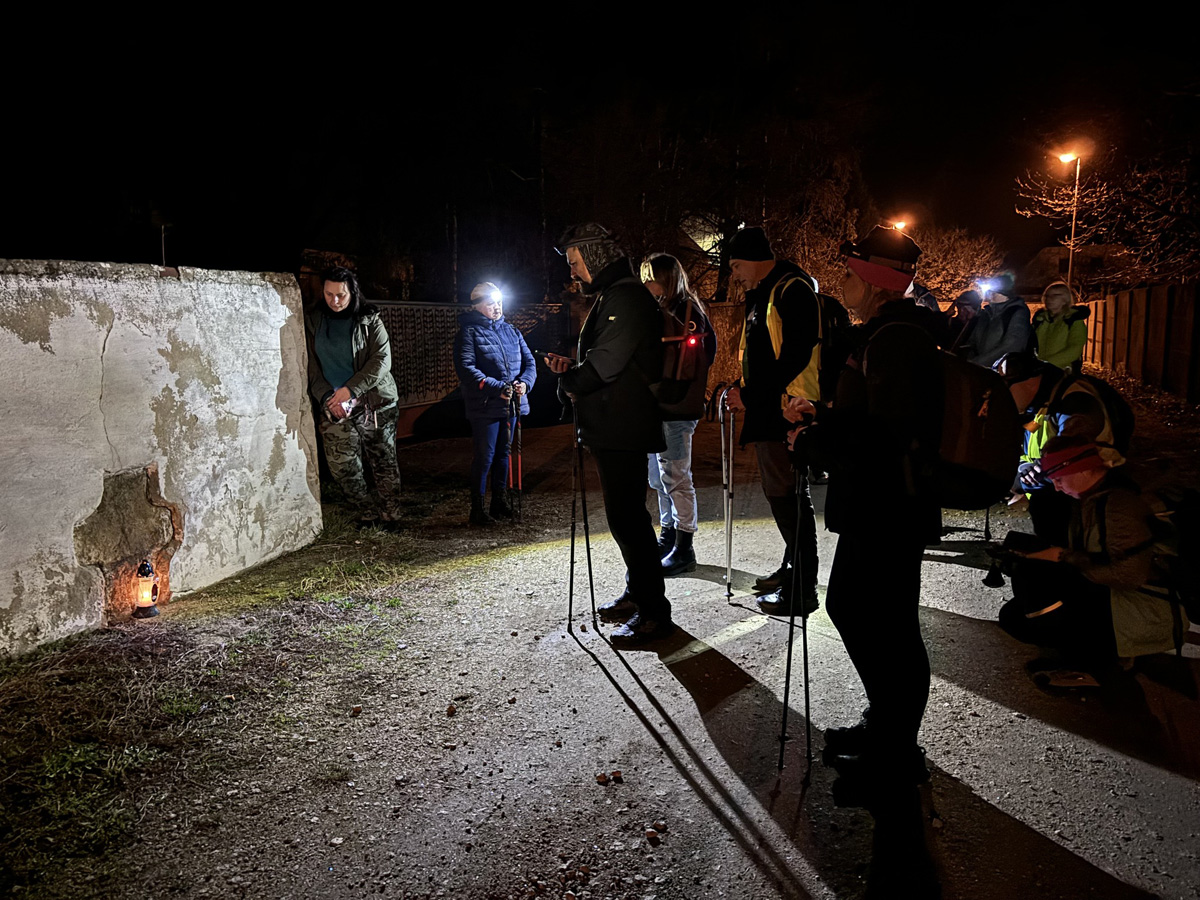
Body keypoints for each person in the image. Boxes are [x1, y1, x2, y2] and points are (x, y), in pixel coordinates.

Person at [784, 226, 943, 798]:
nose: (843, 281)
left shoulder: (898, 338)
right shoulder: (882, 334)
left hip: (889, 507)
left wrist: (813, 444)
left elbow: (886, 437)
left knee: (882, 622)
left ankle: (898, 753)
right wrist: (820, 422)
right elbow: (867, 420)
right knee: (867, 614)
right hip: (879, 504)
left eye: (851, 273)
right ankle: (888, 728)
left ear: (878, 281)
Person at [547, 224, 671, 645]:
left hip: (624, 426)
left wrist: (570, 381)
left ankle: (655, 611)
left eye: (576, 261)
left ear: (595, 256)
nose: (574, 271)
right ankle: (640, 595)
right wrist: (574, 373)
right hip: (613, 425)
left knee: (630, 519)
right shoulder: (613, 296)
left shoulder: (627, 298)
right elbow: (602, 362)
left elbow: (606, 365)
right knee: (625, 518)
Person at [997, 436, 1187, 680]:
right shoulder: (1092, 495)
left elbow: (1130, 576)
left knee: (1036, 589)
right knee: (1016, 614)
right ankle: (1087, 648)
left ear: (1083, 470)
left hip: (1142, 607)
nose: (1056, 487)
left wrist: (1065, 561)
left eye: (1059, 479)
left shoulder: (1119, 505)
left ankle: (1096, 665)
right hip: (1115, 594)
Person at [722, 227, 822, 616]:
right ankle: (792, 570)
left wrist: (748, 394)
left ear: (755, 258)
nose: (734, 275)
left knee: (789, 498)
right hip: (773, 409)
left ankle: (802, 588)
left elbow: (795, 355)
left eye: (736, 265)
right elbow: (762, 357)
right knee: (783, 496)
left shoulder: (790, 289)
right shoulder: (769, 292)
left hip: (787, 412)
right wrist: (740, 386)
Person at [997, 351, 1128, 545]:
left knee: (1070, 547)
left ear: (1030, 381)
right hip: (1055, 493)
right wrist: (1024, 468)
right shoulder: (1040, 406)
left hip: (1078, 496)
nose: (1004, 396)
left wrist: (1041, 470)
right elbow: (1028, 447)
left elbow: (1071, 448)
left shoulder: (1075, 401)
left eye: (1007, 387)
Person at [306, 266, 403, 527]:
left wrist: (351, 390)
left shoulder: (369, 319)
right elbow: (311, 366)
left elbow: (382, 360)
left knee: (383, 461)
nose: (334, 301)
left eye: (341, 295)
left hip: (374, 402)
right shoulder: (314, 320)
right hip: (334, 405)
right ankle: (366, 512)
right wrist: (328, 397)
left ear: (352, 292)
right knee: (342, 465)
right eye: (329, 294)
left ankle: (391, 514)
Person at [642, 253, 716, 577]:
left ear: (666, 279)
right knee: (660, 476)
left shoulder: (682, 311)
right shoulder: (679, 310)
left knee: (675, 476)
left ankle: (684, 548)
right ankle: (669, 536)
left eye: (651, 276)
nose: (646, 283)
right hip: (666, 405)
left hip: (675, 406)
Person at [453, 282, 536, 526]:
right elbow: (467, 369)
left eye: (499, 303)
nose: (496, 308)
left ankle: (499, 501)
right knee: (485, 456)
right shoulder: (468, 333)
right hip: (485, 405)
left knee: (504, 454)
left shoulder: (512, 331)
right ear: (477, 306)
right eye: (490, 304)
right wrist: (496, 387)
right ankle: (477, 509)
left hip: (510, 404)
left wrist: (524, 384)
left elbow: (530, 363)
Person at [961, 273, 1032, 369]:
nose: (990, 294)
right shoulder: (986, 313)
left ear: (1005, 293)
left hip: (1003, 372)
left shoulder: (1016, 312)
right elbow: (972, 341)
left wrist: (979, 363)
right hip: (980, 371)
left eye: (994, 291)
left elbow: (1012, 345)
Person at [1032, 281, 1089, 372]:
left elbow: (1074, 349)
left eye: (1055, 296)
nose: (1049, 299)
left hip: (1062, 371)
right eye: (1047, 296)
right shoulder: (1040, 320)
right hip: (1038, 370)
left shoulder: (1074, 321)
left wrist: (1048, 363)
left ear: (1065, 299)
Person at [946, 289, 982, 353]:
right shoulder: (953, 322)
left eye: (965, 308)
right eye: (959, 307)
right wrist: (946, 317)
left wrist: (971, 319)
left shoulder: (980, 324)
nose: (961, 311)